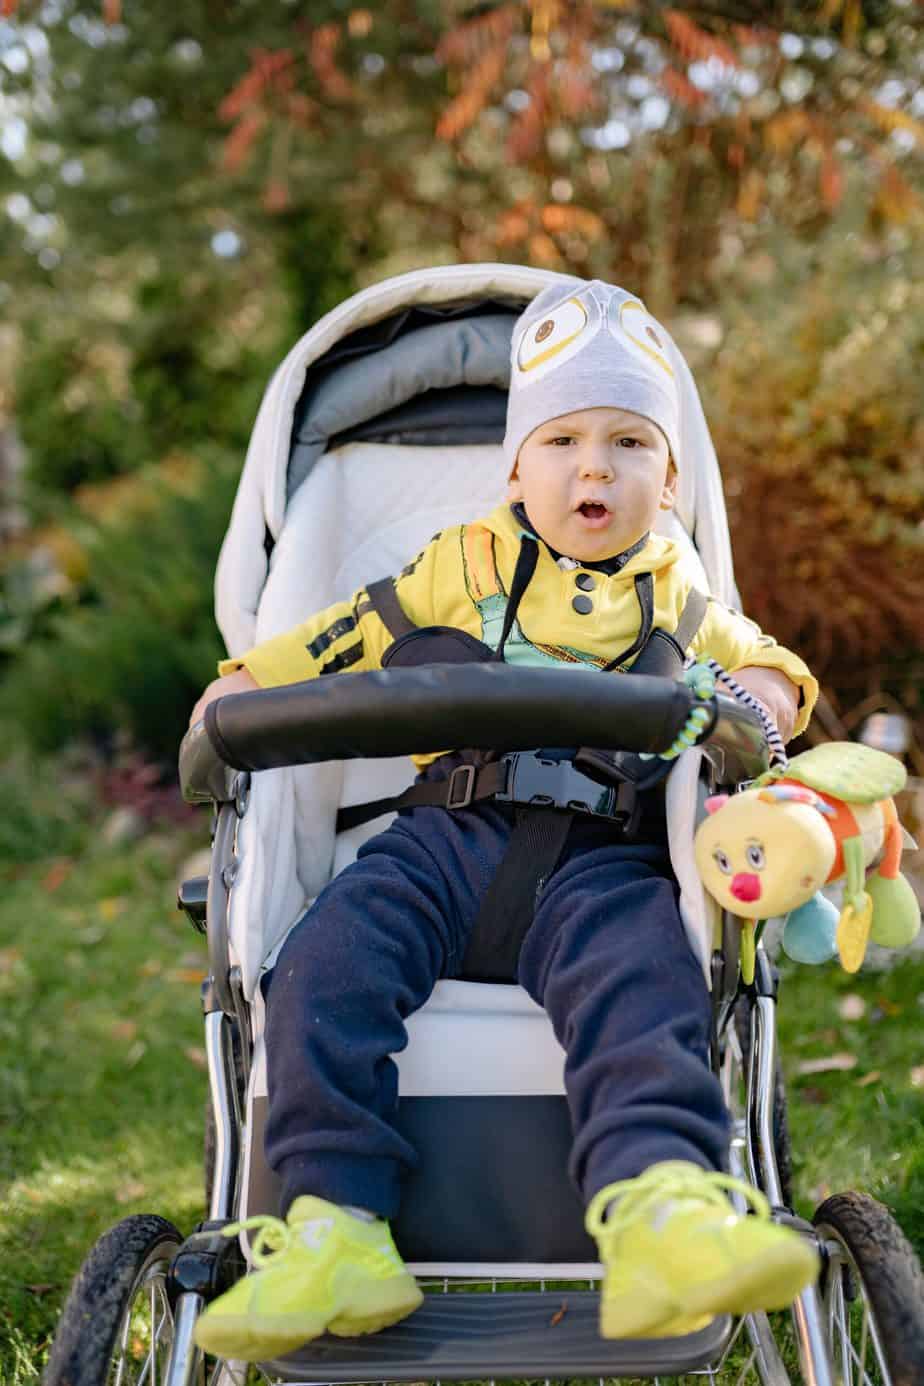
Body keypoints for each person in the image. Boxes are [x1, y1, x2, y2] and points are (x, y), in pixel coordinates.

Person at [191, 278, 820, 1361]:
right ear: (517, 468)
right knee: (324, 965)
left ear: (668, 482)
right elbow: (342, 639)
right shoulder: (461, 565)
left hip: (605, 857)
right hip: (444, 840)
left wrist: (762, 700)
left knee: (646, 981)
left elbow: (771, 666)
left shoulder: (678, 594)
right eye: (564, 440)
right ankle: (333, 1223)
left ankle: (663, 1209)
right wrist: (243, 682)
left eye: (630, 444)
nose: (594, 468)